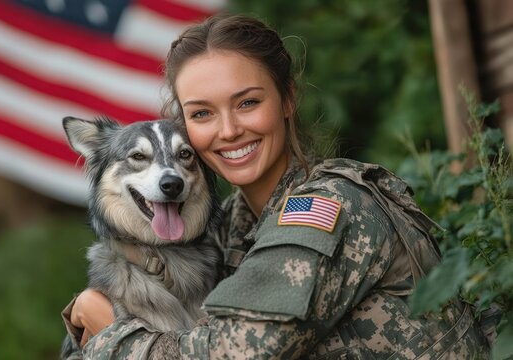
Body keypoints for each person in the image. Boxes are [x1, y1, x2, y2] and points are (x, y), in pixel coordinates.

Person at [63, 13, 491, 359]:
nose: (229, 130)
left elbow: (237, 354)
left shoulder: (327, 207)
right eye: (202, 114)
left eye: (248, 102)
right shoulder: (232, 222)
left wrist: (112, 332)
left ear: (286, 99)